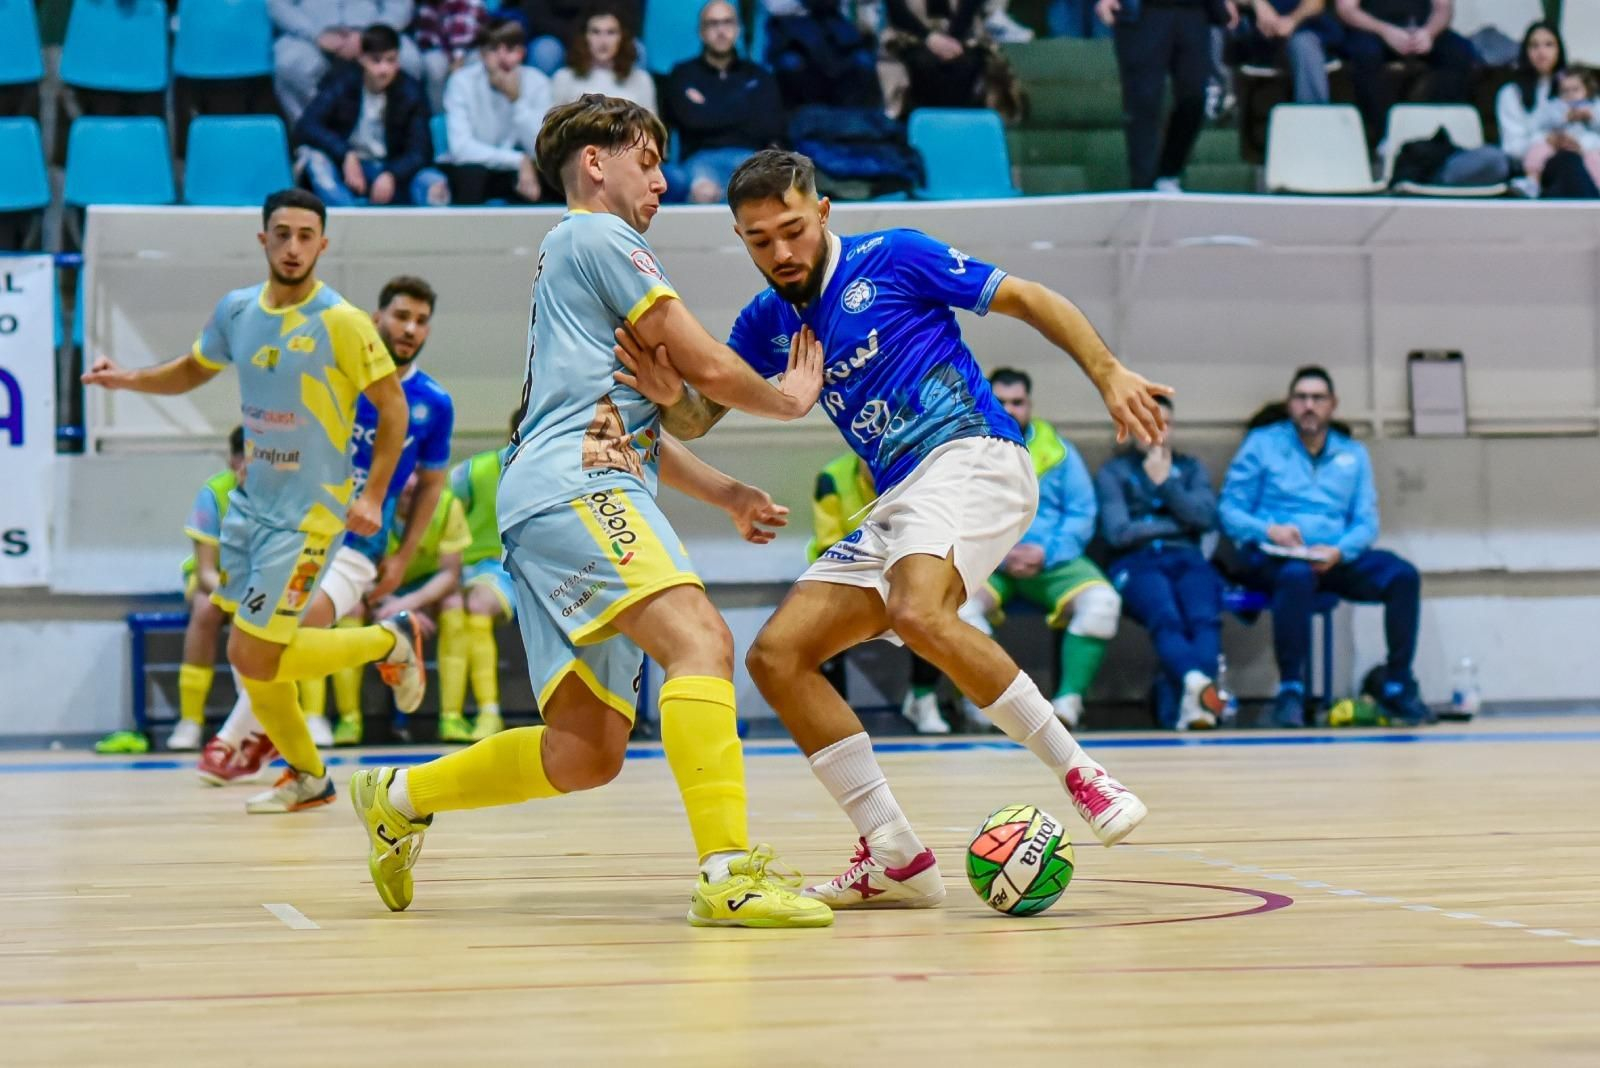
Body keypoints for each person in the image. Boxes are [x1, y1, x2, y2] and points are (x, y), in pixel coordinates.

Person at [615, 148, 1167, 909]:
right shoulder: (766, 322)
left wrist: (1109, 373)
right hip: (900, 497)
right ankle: (896, 854)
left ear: (824, 212)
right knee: (778, 656)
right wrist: (664, 392)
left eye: (792, 229)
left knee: (917, 611)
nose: (780, 251)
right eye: (759, 239)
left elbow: (1031, 298)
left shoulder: (896, 257)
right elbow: (699, 418)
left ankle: (1084, 775)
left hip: (973, 452)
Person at [347, 95, 833, 929]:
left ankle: (396, 794)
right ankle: (728, 875)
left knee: (584, 753)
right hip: (577, 488)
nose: (663, 179)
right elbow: (708, 367)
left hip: (556, 487)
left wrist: (731, 493)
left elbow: (628, 427)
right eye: (649, 159)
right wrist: (789, 400)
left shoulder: (577, 262)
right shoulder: (601, 236)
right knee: (702, 641)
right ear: (598, 162)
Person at [82, 189, 428, 813]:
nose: (293, 246)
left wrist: (374, 494)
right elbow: (192, 368)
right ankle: (309, 774)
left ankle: (387, 646)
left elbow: (395, 410)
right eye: (282, 233)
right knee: (255, 660)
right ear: (263, 239)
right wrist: (127, 377)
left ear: (323, 244)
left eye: (305, 236)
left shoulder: (344, 322)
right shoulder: (237, 311)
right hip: (251, 509)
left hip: (310, 514)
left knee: (251, 651)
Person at [1219, 365, 1432, 729]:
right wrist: (1270, 530)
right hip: (1277, 558)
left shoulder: (1353, 454)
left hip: (1333, 557)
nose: (1309, 406)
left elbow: (1366, 522)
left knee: (1402, 576)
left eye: (1317, 399)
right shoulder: (1263, 444)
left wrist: (1341, 552)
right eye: (1301, 398)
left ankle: (1397, 684)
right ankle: (1291, 691)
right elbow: (1228, 509)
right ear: (1290, 405)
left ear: (1332, 405)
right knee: (1296, 576)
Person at [955, 369, 1120, 732]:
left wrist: (1046, 552)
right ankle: (982, 703)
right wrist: (999, 553)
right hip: (987, 560)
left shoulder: (1058, 450)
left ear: (1030, 405)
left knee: (1102, 604)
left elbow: (1081, 512)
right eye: (1001, 401)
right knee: (954, 610)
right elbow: (954, 513)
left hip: (1052, 561)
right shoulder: (962, 447)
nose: (1010, 409)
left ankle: (1067, 704)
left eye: (1018, 402)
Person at [1095, 394, 1226, 730]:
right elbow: (1118, 533)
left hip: (1186, 557)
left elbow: (1207, 518)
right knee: (1166, 616)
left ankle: (1193, 704)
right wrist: (1178, 523)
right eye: (1145, 423)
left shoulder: (1189, 468)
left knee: (1204, 618)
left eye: (1161, 423)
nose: (1154, 432)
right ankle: (1197, 686)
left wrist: (1166, 484)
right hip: (1136, 562)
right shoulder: (1115, 471)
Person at [808, 451, 949, 734]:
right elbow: (828, 543)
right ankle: (837, 709)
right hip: (844, 569)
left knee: (928, 608)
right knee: (821, 619)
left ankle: (922, 698)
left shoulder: (920, 477)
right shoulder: (831, 479)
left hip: (904, 571)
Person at [294, 24, 450, 207]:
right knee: (316, 162)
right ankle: (349, 226)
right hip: (345, 169)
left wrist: (391, 174)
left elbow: (421, 151)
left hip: (390, 169)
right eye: (376, 61)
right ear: (361, 58)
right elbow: (307, 125)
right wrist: (345, 154)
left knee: (434, 184)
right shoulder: (342, 82)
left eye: (391, 61)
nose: (384, 70)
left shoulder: (411, 92)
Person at [1096, 0, 1235, 191]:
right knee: (1143, 102)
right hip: (1145, 12)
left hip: (1193, 12)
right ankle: (1143, 188)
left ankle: (1168, 173)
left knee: (1194, 96)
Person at [168, 427, 249, 751]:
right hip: (219, 581)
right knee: (205, 608)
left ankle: (311, 716)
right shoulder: (215, 493)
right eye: (245, 456)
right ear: (233, 460)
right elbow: (205, 572)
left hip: (263, 581)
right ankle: (190, 720)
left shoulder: (282, 494)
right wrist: (239, 598)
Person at [437, 424, 518, 743]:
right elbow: (442, 512)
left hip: (513, 570)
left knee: (478, 606)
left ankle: (489, 712)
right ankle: (451, 717)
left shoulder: (550, 475)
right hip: (465, 568)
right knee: (453, 609)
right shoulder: (470, 473)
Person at [662, 2, 786, 205]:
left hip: (751, 159)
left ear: (738, 28)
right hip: (699, 160)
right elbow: (690, 120)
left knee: (780, 193)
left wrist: (708, 108)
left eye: (727, 22)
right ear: (701, 32)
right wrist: (744, 106)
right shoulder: (682, 74)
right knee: (699, 191)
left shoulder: (759, 75)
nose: (721, 30)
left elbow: (769, 126)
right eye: (713, 24)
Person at [441, 19, 553, 205]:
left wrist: (517, 101)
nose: (502, 58)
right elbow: (460, 148)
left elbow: (542, 148)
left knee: (551, 177)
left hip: (523, 170)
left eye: (509, 49)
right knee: (471, 175)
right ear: (482, 54)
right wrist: (518, 160)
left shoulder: (537, 82)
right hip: (479, 165)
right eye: (493, 49)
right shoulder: (462, 82)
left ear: (521, 53)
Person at [1334, 0, 1474, 145]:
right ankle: (1384, 138)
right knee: (1365, 55)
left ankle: (1439, 133)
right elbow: (1346, 10)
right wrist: (1385, 31)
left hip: (1422, 30)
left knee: (1458, 52)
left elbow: (1444, 8)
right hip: (1372, 30)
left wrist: (1429, 32)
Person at [269, 0, 424, 124]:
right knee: (290, 65)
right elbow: (279, 5)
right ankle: (315, 140)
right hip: (312, 35)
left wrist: (370, 36)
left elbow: (400, 5)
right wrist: (315, 34)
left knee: (409, 61)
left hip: (373, 30)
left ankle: (393, 138)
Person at [1495, 23, 1598, 199]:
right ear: (1525, 51)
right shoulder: (1511, 93)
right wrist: (1549, 141)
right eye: (1534, 45)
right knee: (1566, 162)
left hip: (1582, 158)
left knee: (1574, 163)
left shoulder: (1577, 87)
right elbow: (1512, 148)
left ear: (1559, 49)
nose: (1541, 52)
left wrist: (1580, 144)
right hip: (1536, 165)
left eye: (1549, 44)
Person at [550, 4, 658, 112]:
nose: (603, 41)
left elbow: (650, 126)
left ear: (622, 37)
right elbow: (553, 125)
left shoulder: (641, 80)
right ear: (584, 37)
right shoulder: (564, 78)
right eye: (595, 32)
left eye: (611, 32)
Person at [1233, 0, 1343, 105]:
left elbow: (1315, 3)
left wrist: (1292, 21)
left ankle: (1312, 115)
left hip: (1304, 31)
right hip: (1260, 39)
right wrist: (1258, 3)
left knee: (1304, 45)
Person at [1523, 67, 1600, 192]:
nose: (1570, 94)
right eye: (1565, 91)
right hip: (1557, 143)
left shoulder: (1594, 106)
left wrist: (1591, 117)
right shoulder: (1556, 106)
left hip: (1585, 145)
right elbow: (1541, 123)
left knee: (1595, 159)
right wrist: (1564, 118)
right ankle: (1532, 182)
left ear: (1587, 89)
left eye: (1575, 89)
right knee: (1538, 149)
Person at [414, 0, 490, 112]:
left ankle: (474, 112)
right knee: (432, 64)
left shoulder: (470, 3)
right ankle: (439, 115)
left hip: (471, 49)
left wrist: (457, 59)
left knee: (476, 64)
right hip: (443, 50)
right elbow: (426, 38)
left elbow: (466, 35)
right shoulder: (428, 6)